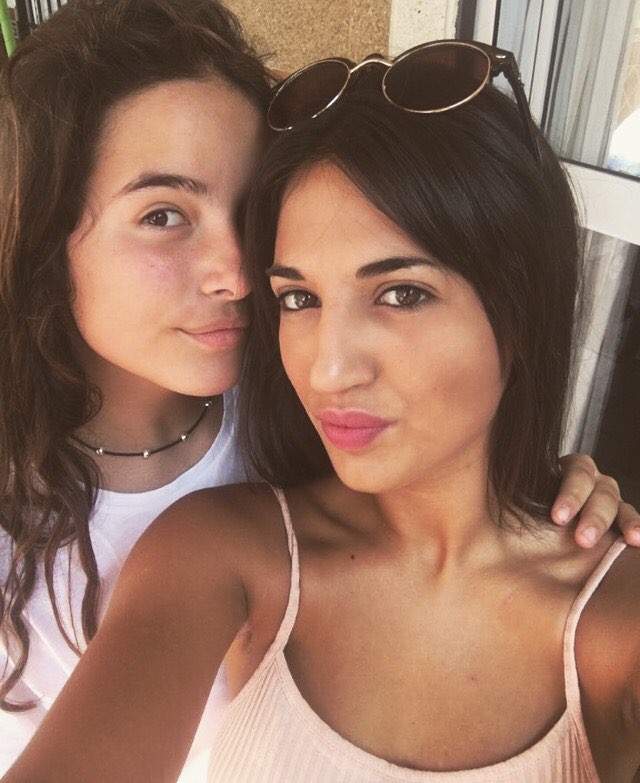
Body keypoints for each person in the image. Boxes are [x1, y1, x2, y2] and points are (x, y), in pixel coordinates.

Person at [4, 40, 640, 782]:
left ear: (522, 310)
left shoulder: (612, 622)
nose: (327, 371)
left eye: (401, 292)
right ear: (45, 241)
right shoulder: (220, 548)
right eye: (300, 297)